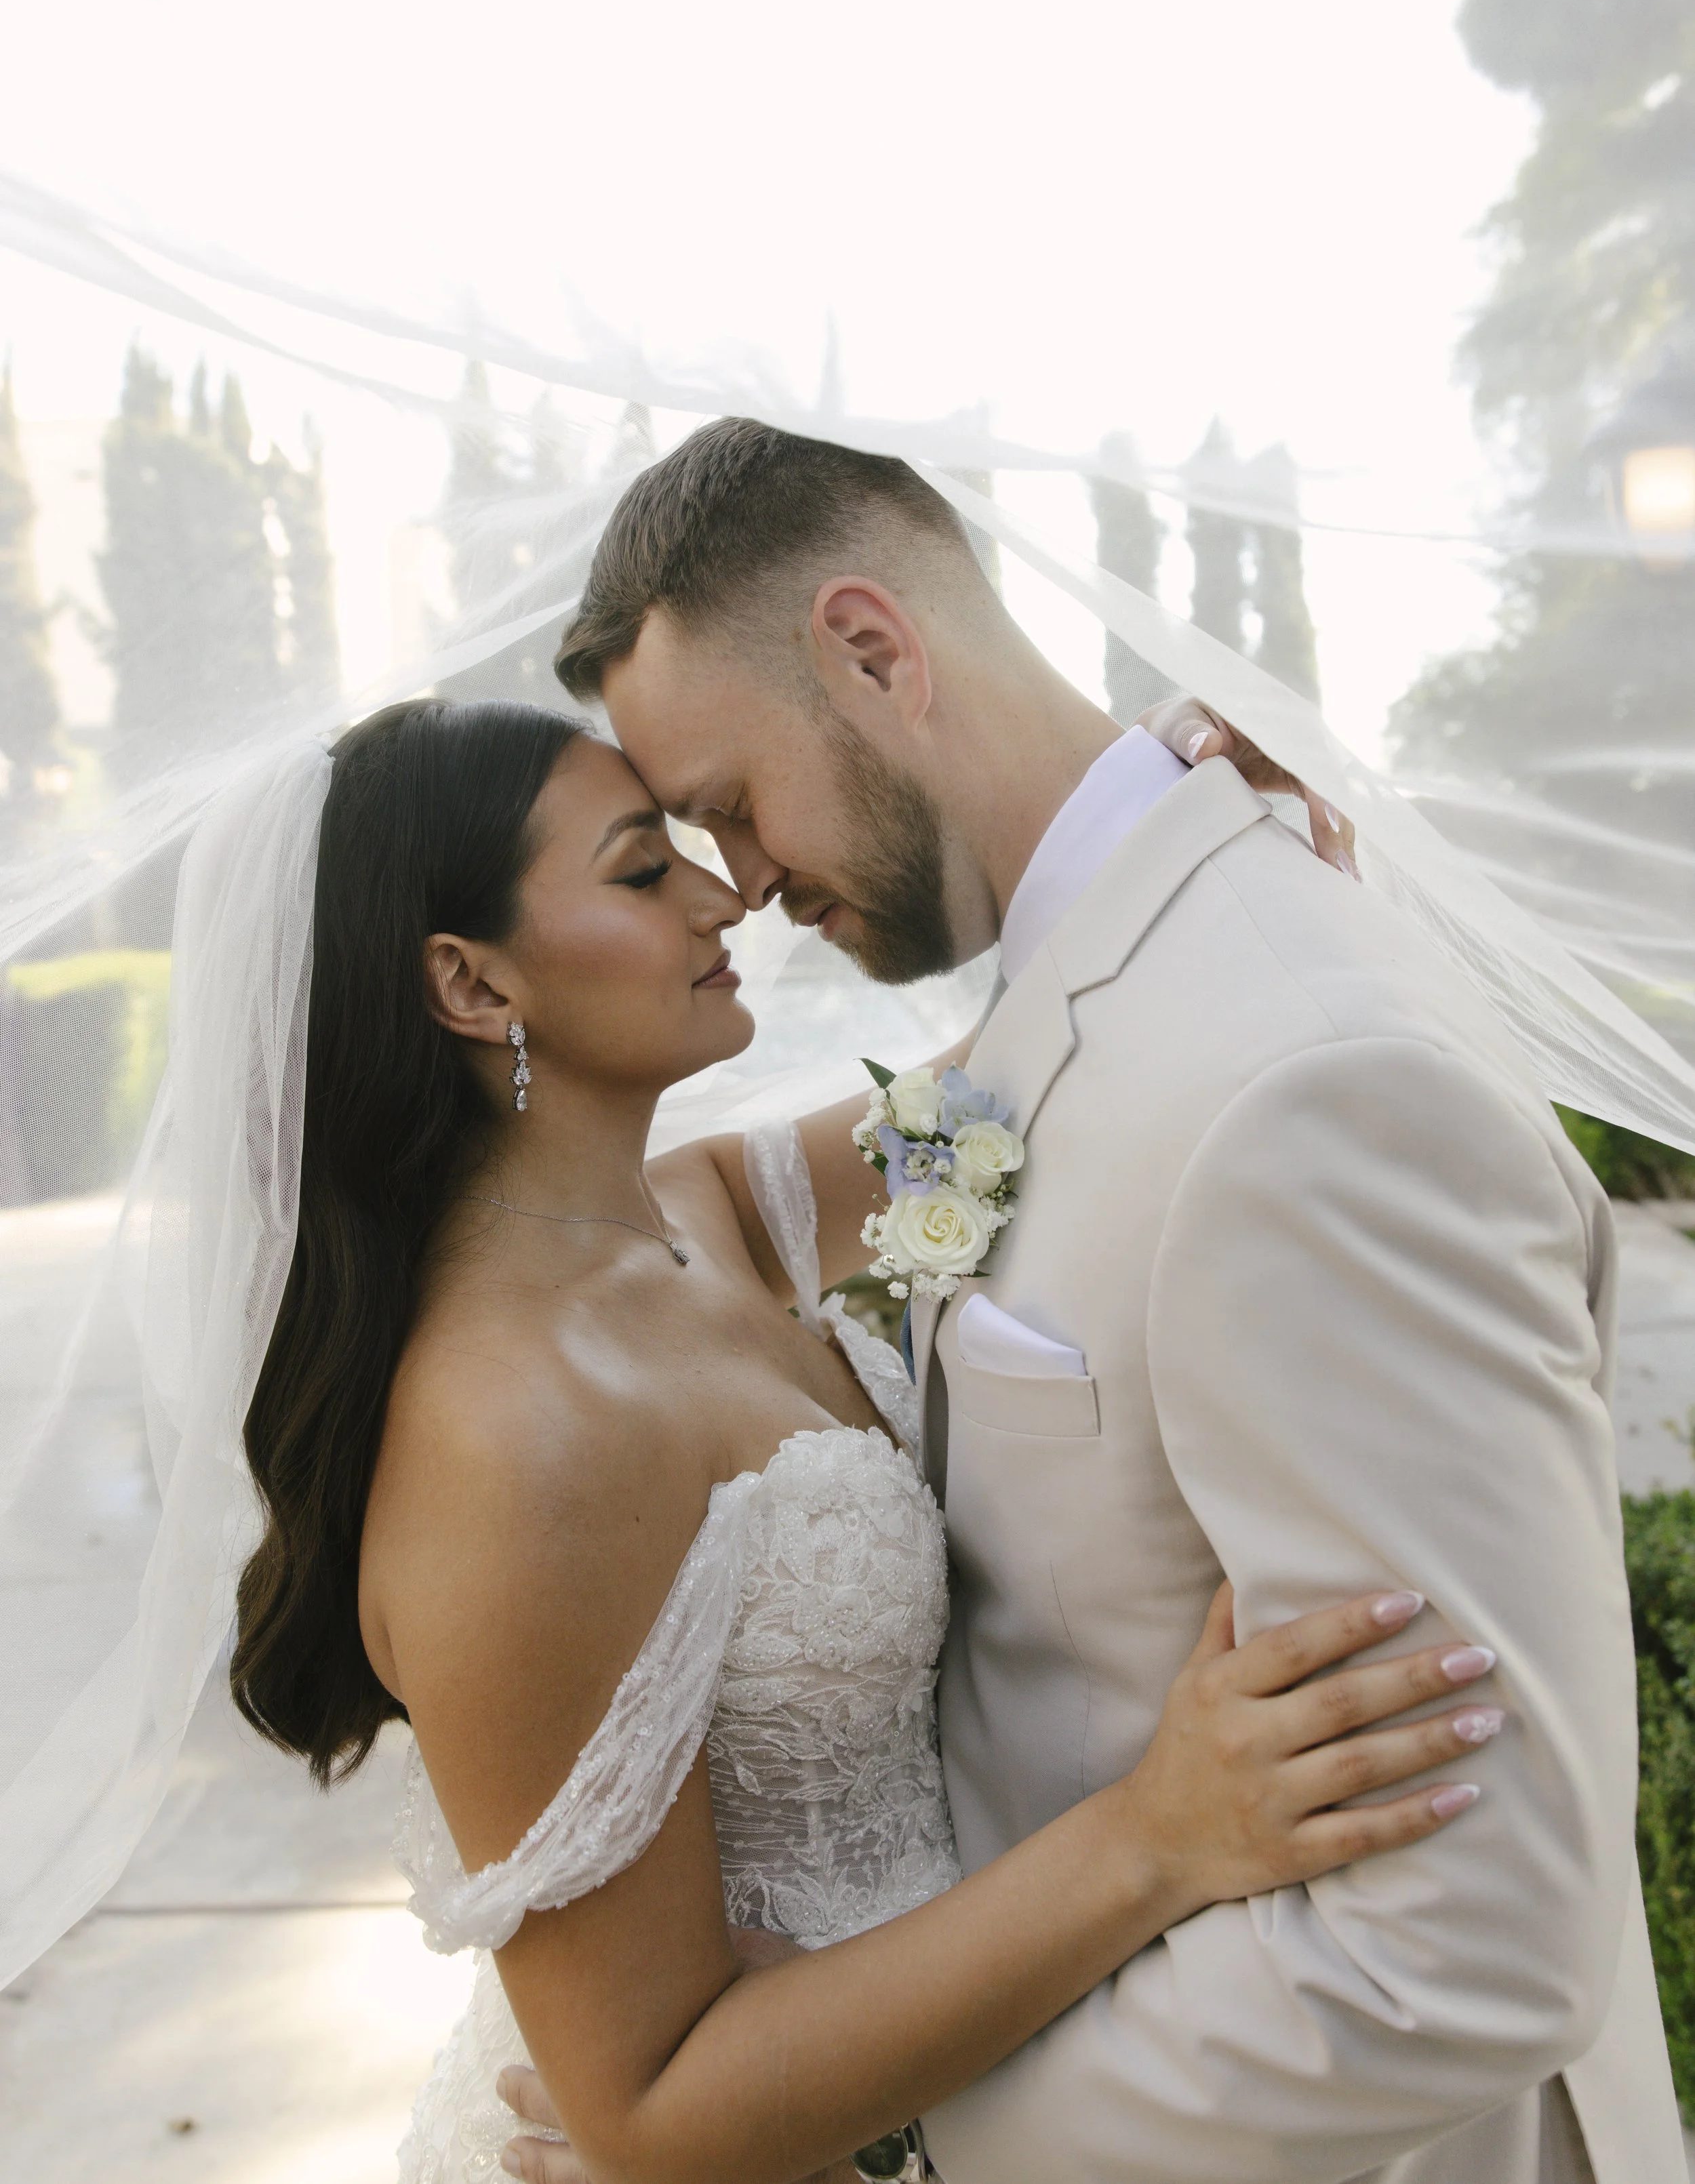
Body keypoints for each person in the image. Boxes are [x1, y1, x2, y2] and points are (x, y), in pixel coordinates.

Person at [496, 419, 1682, 2184]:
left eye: (730, 808)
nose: (740, 889)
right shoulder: (1106, 967)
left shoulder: (1297, 1086)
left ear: (873, 650)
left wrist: (899, 2131)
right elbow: (754, 1201)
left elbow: (1469, 1946)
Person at [228, 693, 1490, 2184]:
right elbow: (642, 2111)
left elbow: (1031, 1072)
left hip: (977, 2102)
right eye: (643, 871)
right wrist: (1157, 1832)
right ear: (471, 981)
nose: (722, 894)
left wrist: (1173, 827)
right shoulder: (513, 1435)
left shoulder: (716, 1212)